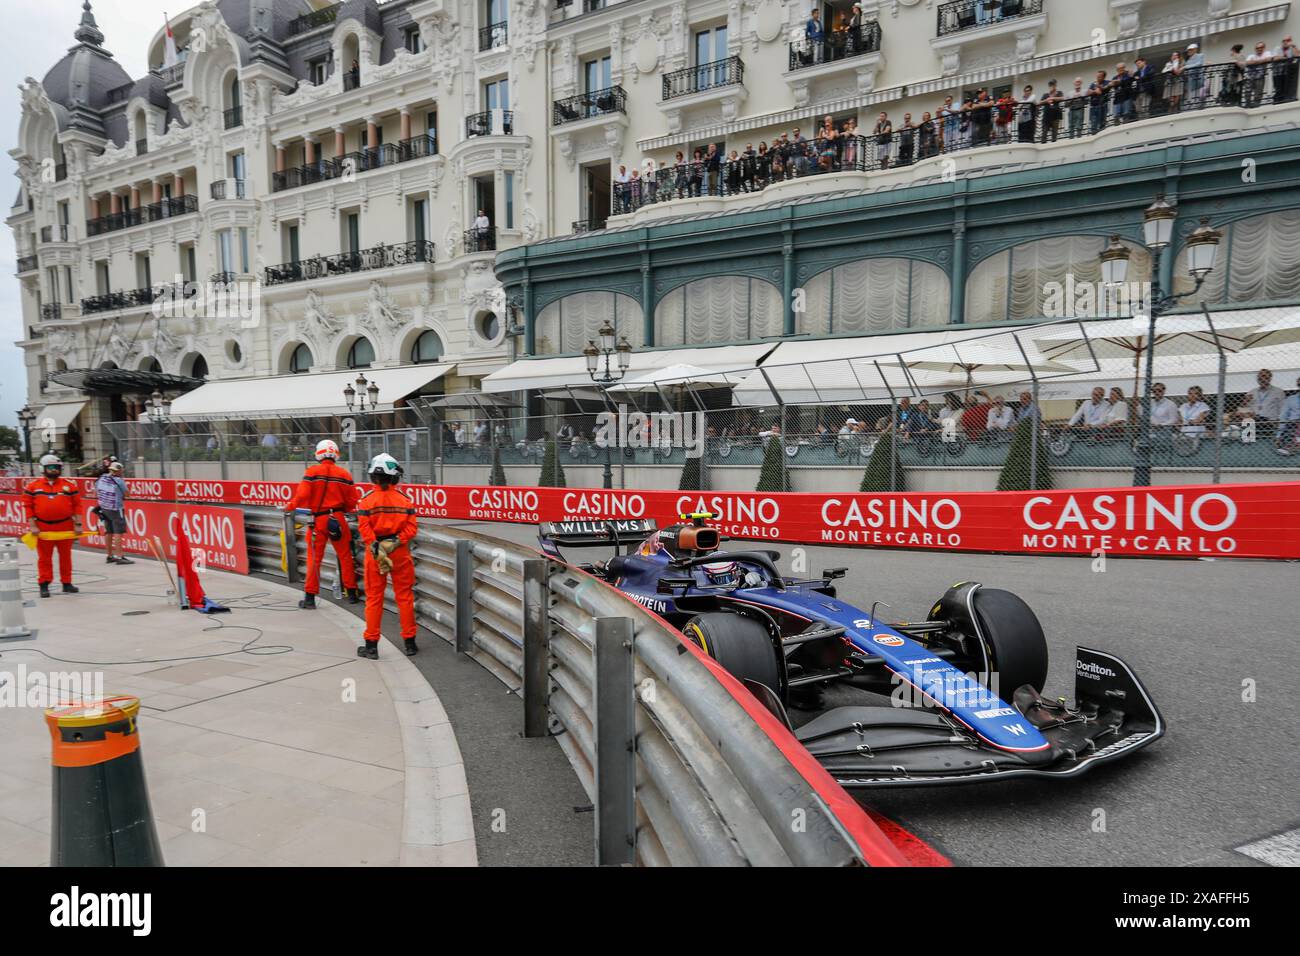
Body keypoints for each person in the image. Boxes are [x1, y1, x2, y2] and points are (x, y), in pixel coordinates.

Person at [356, 454, 419, 659]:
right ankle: (410, 644)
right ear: (395, 478)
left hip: (375, 554)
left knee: (374, 599)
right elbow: (411, 529)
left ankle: (371, 646)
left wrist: (378, 549)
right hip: (399, 552)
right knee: (405, 597)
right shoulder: (405, 501)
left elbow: (364, 531)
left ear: (373, 476)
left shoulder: (366, 502)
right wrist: (394, 543)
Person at [287, 439, 361, 609]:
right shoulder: (345, 474)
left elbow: (302, 496)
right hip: (338, 518)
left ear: (318, 453)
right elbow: (352, 502)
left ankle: (310, 598)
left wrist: (289, 506)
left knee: (315, 559)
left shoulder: (312, 471)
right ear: (336, 454)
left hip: (317, 521)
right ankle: (351, 594)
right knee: (345, 556)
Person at [24, 454, 82, 599]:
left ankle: (67, 583)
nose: (54, 470)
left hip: (65, 526)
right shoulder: (33, 487)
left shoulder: (69, 486)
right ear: (42, 469)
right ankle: (44, 584)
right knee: (44, 558)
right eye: (50, 467)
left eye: (56, 467)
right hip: (43, 528)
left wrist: (78, 524)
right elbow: (28, 507)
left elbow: (77, 506)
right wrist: (32, 526)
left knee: (66, 557)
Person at [95, 460, 132, 565]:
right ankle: (119, 557)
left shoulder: (101, 478)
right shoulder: (119, 480)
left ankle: (109, 556)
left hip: (104, 508)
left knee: (108, 531)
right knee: (118, 533)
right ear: (118, 471)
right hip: (116, 509)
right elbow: (127, 494)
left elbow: (96, 492)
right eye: (121, 470)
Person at [1276, 374, 1300, 454]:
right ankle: (1293, 445)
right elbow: (1283, 417)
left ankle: (1293, 446)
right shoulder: (1290, 399)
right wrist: (1278, 435)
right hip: (1293, 424)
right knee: (1292, 425)